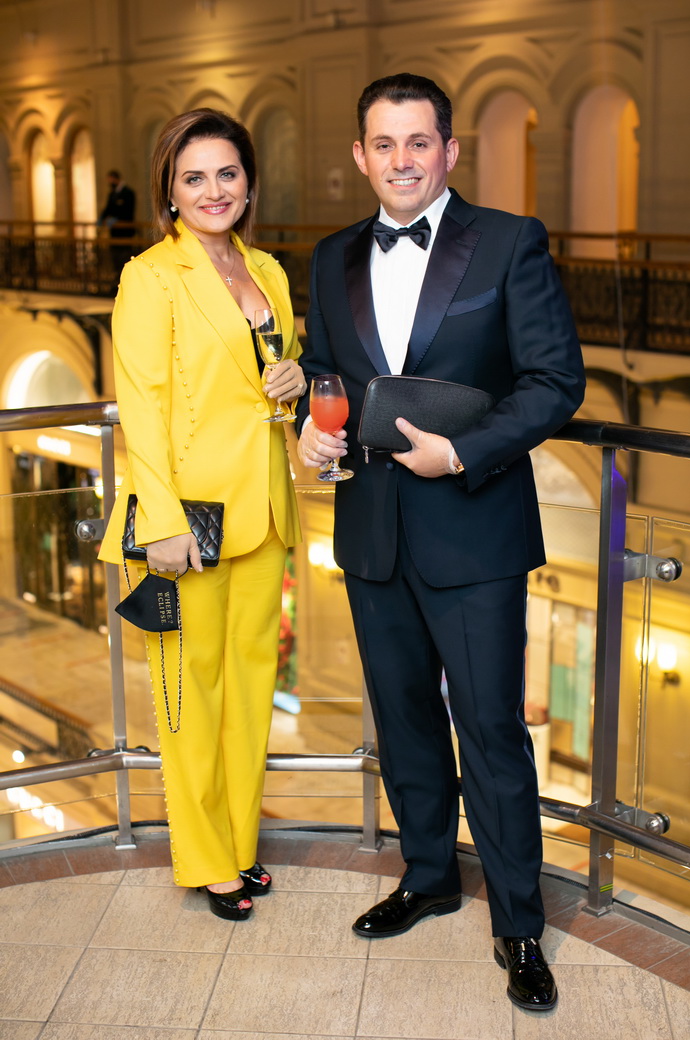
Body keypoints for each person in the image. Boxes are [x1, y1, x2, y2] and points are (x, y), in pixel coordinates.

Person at [296, 73, 585, 1010]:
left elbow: (554, 381)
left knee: (491, 731)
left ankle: (517, 924)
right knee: (405, 719)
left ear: (449, 151)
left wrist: (461, 452)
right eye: (383, 144)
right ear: (360, 156)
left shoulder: (508, 240)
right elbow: (325, 372)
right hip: (371, 531)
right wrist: (310, 426)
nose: (401, 161)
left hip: (475, 530)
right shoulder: (330, 256)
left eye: (418, 142)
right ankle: (427, 876)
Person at [99, 108, 306, 920]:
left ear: (248, 183)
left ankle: (239, 842)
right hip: (186, 523)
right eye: (194, 177)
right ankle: (205, 856)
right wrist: (160, 520)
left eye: (227, 173)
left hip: (264, 511)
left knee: (251, 694)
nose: (213, 189)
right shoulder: (151, 276)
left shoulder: (268, 270)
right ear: (170, 192)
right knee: (189, 698)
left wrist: (291, 380)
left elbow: (270, 379)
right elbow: (141, 405)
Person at [98, 169, 137, 282]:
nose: (109, 182)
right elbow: (108, 208)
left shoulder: (128, 193)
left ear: (115, 179)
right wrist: (101, 219)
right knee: (115, 258)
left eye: (110, 180)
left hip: (125, 232)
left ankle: (126, 280)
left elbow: (128, 211)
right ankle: (116, 281)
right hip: (114, 232)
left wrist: (117, 219)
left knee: (125, 257)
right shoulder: (112, 194)